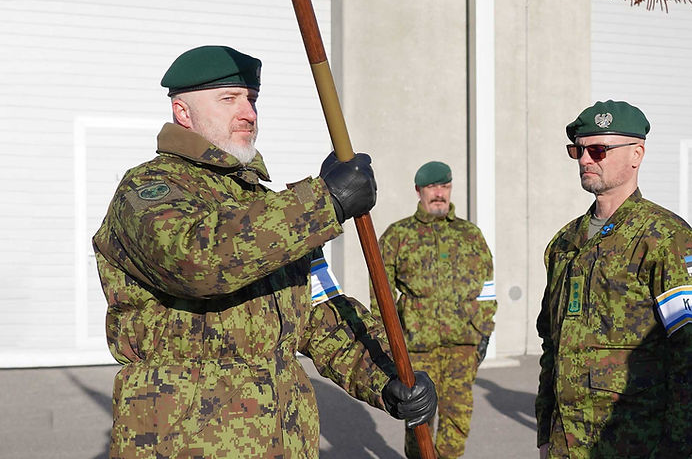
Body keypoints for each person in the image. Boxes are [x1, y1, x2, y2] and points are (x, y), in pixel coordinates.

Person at [92, 45, 437, 459]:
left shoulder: (264, 207)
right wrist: (324, 202)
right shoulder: (148, 192)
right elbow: (198, 261)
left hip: (284, 439)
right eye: (228, 99)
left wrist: (386, 373)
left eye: (251, 99)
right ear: (183, 112)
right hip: (187, 440)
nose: (248, 113)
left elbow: (320, 313)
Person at [535, 100, 692, 459]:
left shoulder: (666, 238)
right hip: (566, 446)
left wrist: (675, 449)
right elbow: (551, 348)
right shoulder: (564, 243)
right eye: (578, 150)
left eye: (598, 150)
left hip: (635, 444)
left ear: (636, 154)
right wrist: (545, 435)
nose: (586, 160)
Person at [373, 161, 497, 459]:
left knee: (458, 418)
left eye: (444, 186)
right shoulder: (398, 235)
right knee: (419, 422)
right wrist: (389, 346)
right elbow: (381, 296)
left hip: (462, 347)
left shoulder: (470, 235)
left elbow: (487, 287)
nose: (439, 193)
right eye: (432, 187)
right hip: (417, 350)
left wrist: (483, 333)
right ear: (419, 191)